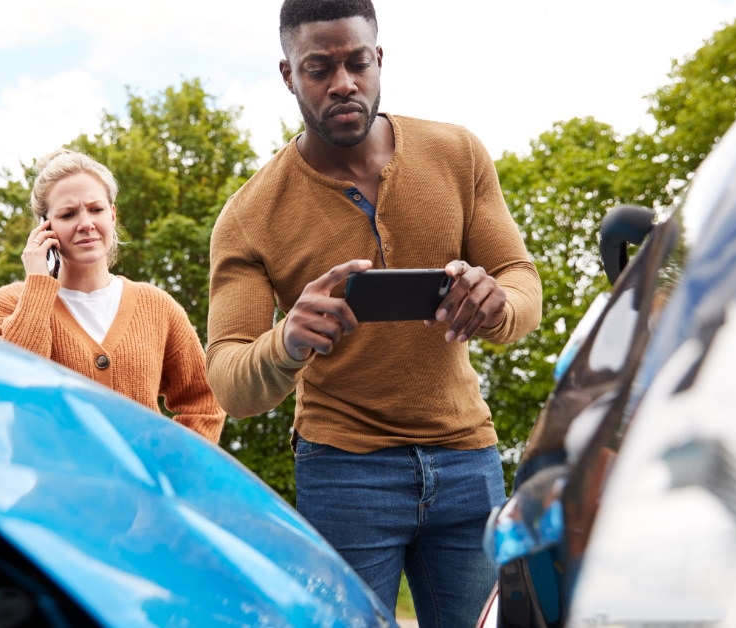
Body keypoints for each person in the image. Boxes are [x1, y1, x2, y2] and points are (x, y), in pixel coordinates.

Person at [205, 1, 542, 625]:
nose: (342, 83)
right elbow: (229, 377)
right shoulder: (250, 216)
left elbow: (521, 282)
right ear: (287, 75)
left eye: (357, 62)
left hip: (468, 458)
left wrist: (496, 305)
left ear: (378, 59)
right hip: (343, 472)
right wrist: (286, 343)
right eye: (318, 68)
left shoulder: (458, 153)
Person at [0, 148, 225, 443]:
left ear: (112, 214)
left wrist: (174, 467)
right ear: (46, 227)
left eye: (95, 209)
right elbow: (13, 387)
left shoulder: (157, 307)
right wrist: (37, 284)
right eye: (68, 214)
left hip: (141, 489)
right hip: (50, 487)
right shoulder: (8, 304)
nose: (86, 223)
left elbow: (204, 402)